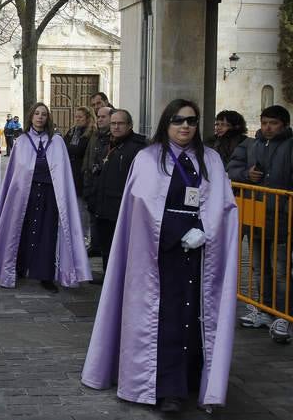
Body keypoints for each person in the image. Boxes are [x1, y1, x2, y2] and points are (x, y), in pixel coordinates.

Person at [82, 99, 238, 413]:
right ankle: (168, 388)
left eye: (191, 121)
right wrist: (173, 234)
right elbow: (140, 206)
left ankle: (192, 377)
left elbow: (224, 205)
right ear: (166, 123)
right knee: (165, 319)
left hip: (200, 257)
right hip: (159, 256)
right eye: (178, 120)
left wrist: (205, 231)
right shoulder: (148, 159)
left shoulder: (211, 160)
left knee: (193, 317)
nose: (185, 126)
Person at [0, 102, 91, 292]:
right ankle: (18, 267)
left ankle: (45, 274)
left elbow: (62, 172)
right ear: (31, 116)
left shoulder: (57, 142)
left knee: (47, 232)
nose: (40, 117)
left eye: (44, 114)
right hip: (24, 195)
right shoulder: (22, 141)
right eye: (37, 113)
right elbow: (15, 172)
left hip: (50, 194)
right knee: (21, 229)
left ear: (48, 118)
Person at [228, 105, 293, 343]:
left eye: (273, 123)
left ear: (284, 125)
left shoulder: (290, 146)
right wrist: (247, 174)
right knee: (258, 266)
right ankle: (263, 309)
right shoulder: (251, 145)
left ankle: (283, 314)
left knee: (281, 271)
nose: (267, 127)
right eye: (264, 122)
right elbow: (232, 168)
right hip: (256, 218)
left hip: (282, 218)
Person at [89, 109, 146, 282]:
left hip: (122, 206)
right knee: (106, 245)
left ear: (129, 125)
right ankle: (108, 277)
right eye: (113, 123)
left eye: (120, 123)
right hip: (103, 204)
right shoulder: (107, 143)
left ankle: (121, 280)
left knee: (122, 247)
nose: (116, 127)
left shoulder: (138, 148)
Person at [82, 106, 113, 256]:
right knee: (93, 218)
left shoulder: (113, 137)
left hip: (106, 187)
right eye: (98, 117)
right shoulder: (95, 135)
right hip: (92, 184)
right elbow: (88, 156)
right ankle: (95, 246)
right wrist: (86, 176)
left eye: (103, 117)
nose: (99, 119)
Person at [63, 106, 96, 245]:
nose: (77, 119)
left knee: (81, 205)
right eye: (76, 116)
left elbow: (84, 152)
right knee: (70, 203)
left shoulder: (91, 134)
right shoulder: (72, 132)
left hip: (81, 173)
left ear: (88, 118)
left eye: (80, 117)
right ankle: (71, 231)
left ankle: (84, 234)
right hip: (69, 171)